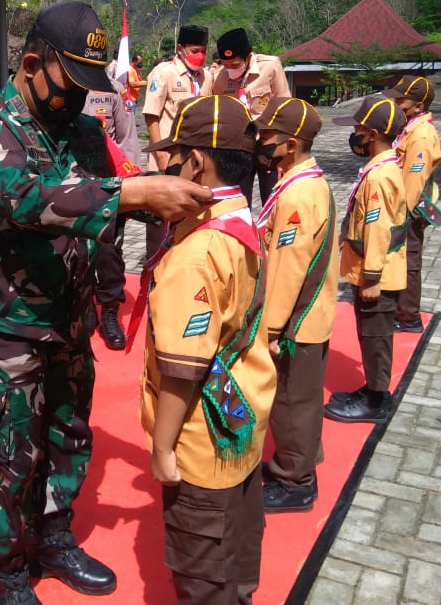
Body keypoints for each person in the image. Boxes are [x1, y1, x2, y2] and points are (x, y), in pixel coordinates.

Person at [0, 1, 213, 604]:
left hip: (67, 320)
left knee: (67, 436)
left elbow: (104, 215)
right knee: (7, 455)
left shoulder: (83, 129)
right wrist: (133, 191)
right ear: (33, 63)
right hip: (3, 328)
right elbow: (29, 200)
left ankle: (53, 535)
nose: (81, 98)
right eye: (73, 82)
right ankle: (7, 573)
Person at [139, 94, 275, 604]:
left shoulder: (197, 253)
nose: (169, 166)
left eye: (175, 157)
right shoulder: (241, 225)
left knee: (203, 573)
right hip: (241, 418)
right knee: (236, 558)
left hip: (202, 436)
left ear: (196, 161)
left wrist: (161, 446)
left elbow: (182, 368)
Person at [253, 97, 339, 512]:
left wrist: (270, 328)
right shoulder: (301, 181)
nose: (261, 141)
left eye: (267, 135)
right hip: (307, 312)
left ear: (289, 144)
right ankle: (301, 458)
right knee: (298, 396)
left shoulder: (298, 196)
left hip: (296, 321)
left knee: (291, 400)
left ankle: (296, 481)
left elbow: (288, 268)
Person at [325, 96, 408, 423]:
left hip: (379, 276)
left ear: (372, 134)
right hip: (377, 271)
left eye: (359, 128)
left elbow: (377, 228)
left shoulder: (379, 177)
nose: (355, 133)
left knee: (375, 340)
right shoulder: (383, 167)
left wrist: (371, 278)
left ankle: (377, 399)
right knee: (370, 334)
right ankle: (372, 388)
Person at [142, 25, 210, 260]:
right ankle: (154, 266)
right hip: (167, 155)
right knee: (160, 214)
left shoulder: (206, 76)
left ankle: (182, 261)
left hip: (194, 158)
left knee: (188, 210)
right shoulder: (163, 72)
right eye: (194, 50)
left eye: (203, 50)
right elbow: (151, 114)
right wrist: (160, 152)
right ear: (180, 49)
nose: (199, 55)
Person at [382, 75, 441, 334]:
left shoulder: (421, 134)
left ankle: (408, 317)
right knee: (400, 257)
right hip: (400, 205)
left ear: (418, 106)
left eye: (401, 100)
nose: (396, 104)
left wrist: (401, 213)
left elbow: (414, 178)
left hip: (409, 207)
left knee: (408, 259)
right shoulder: (410, 127)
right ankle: (400, 308)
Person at [81, 72, 139, 350]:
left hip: (108, 183)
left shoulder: (114, 91)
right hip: (70, 182)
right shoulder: (61, 86)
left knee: (108, 252)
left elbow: (127, 139)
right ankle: (84, 309)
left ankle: (110, 312)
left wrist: (131, 187)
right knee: (74, 250)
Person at [209, 28, 291, 204]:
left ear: (248, 56)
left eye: (235, 65)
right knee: (237, 199)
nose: (229, 69)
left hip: (268, 144)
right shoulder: (220, 77)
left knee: (273, 198)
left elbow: (285, 108)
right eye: (226, 64)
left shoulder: (270, 66)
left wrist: (285, 156)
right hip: (238, 146)